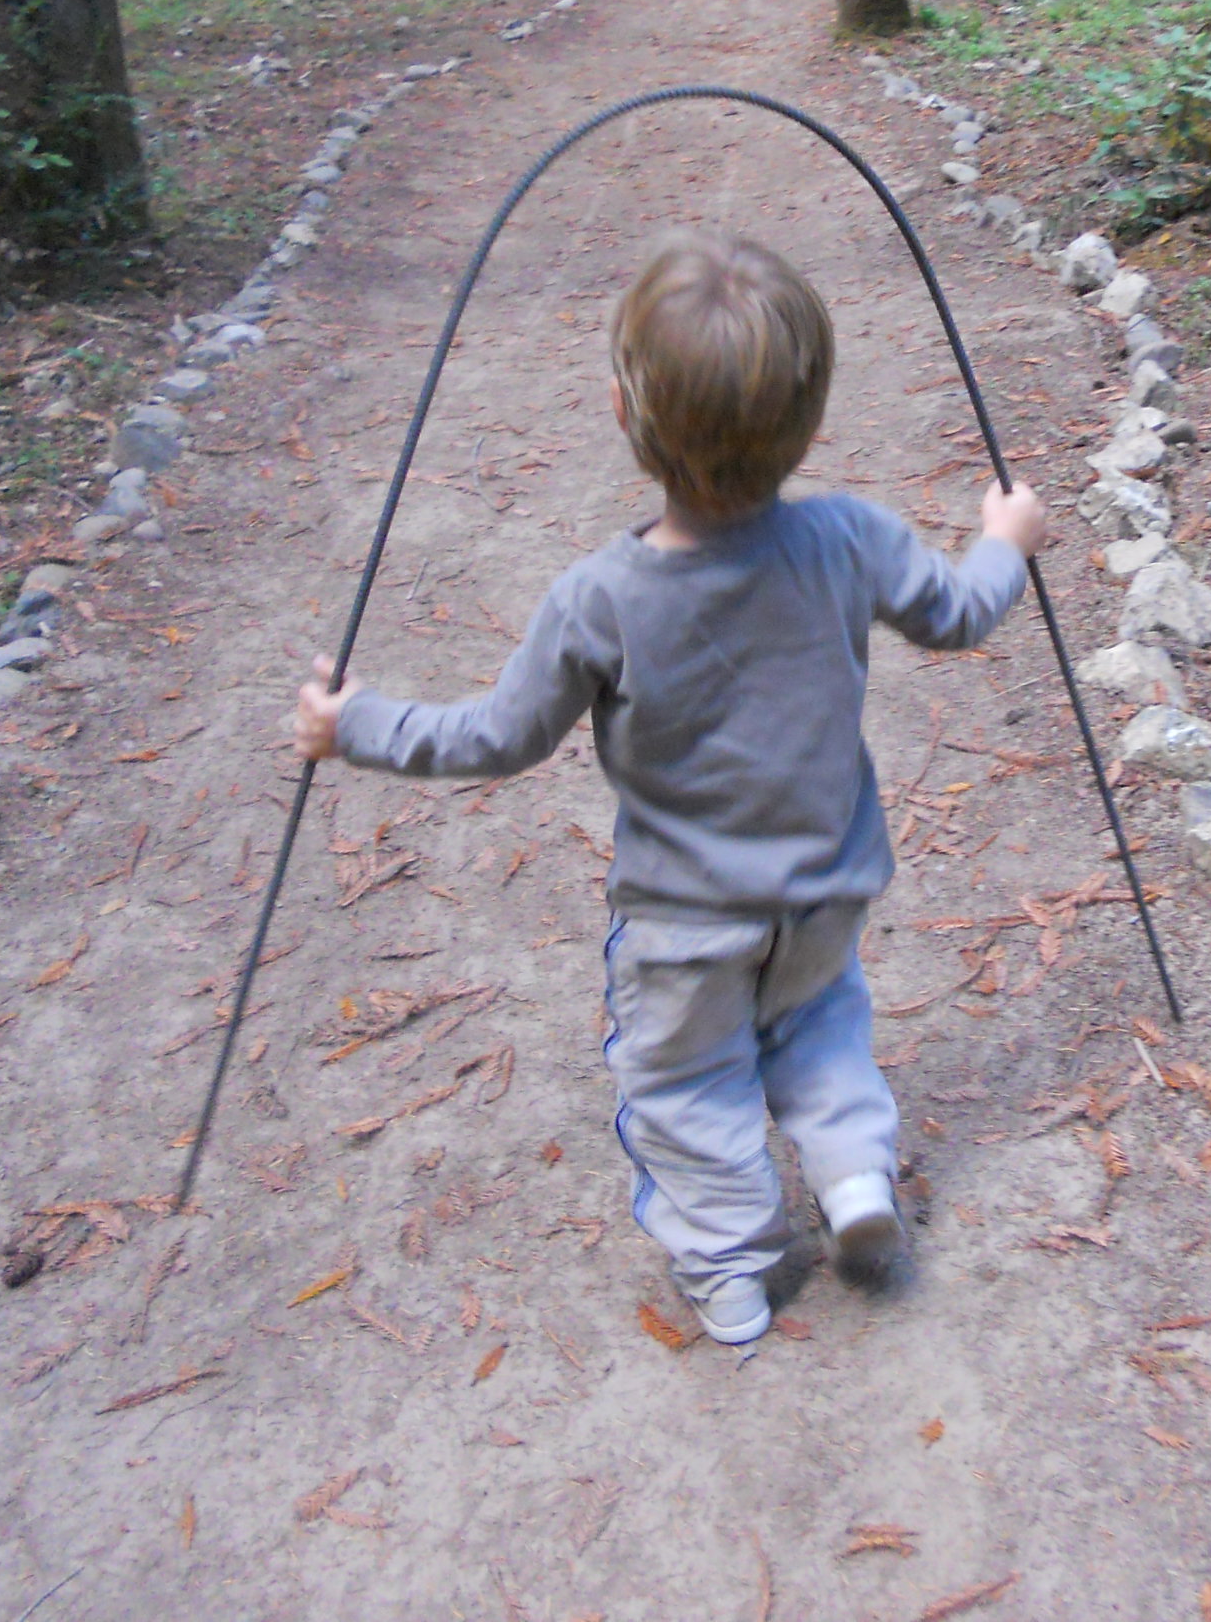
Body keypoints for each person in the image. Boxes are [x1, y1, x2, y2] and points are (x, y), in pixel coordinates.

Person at [293, 232, 1046, 1346]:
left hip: (683, 924)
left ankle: (733, 1274)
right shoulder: (850, 537)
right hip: (828, 891)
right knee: (819, 1023)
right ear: (811, 422)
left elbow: (497, 737)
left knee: (689, 1085)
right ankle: (852, 1174)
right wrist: (1005, 542)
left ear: (622, 412)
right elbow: (960, 613)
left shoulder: (601, 598)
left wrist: (354, 723)